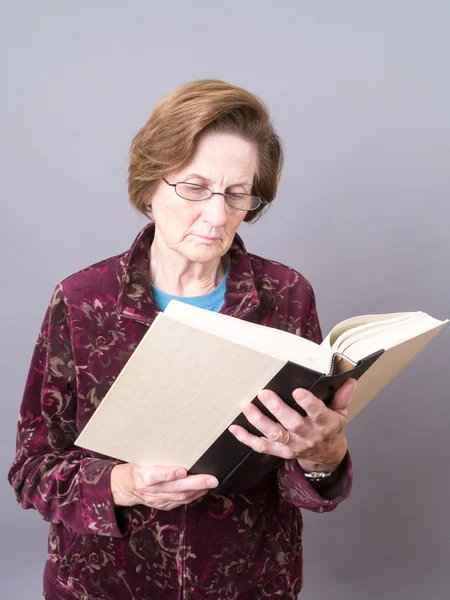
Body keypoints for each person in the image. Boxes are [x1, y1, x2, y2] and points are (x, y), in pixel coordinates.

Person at [8, 79, 356, 600]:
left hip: (250, 582)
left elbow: (296, 482)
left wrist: (322, 457)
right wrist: (121, 485)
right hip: (103, 584)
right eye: (194, 188)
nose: (217, 217)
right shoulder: (82, 300)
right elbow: (31, 470)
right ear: (150, 185)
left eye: (237, 194)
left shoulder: (287, 295)